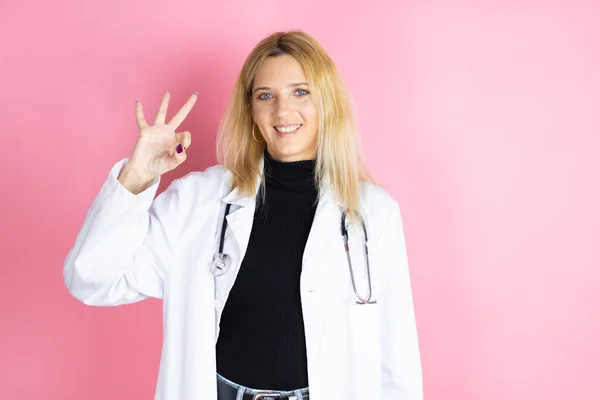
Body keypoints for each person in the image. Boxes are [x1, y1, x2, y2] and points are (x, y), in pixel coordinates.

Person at [63, 30, 423, 400]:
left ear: (326, 101)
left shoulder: (373, 213)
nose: (283, 111)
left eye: (300, 92)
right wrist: (136, 175)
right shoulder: (197, 201)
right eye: (265, 96)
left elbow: (397, 362)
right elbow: (92, 279)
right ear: (250, 109)